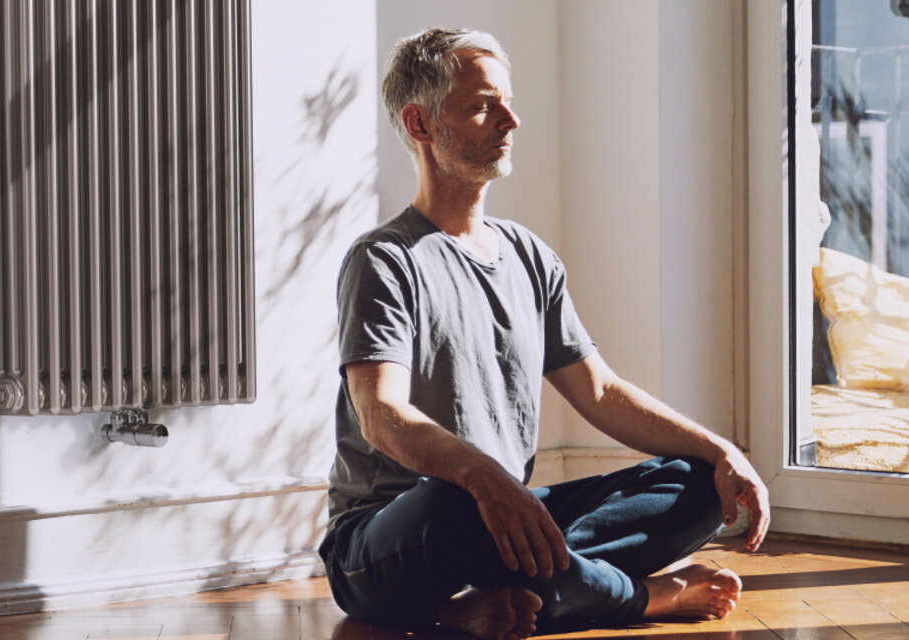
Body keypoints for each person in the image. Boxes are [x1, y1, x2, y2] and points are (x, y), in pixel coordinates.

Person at [320, 27, 771, 640]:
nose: (510, 120)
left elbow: (601, 393)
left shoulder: (529, 256)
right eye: (483, 106)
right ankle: (632, 599)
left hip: (503, 516)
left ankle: (499, 597)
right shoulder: (385, 259)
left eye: (507, 101)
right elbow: (380, 413)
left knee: (695, 483)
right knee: (458, 500)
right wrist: (482, 478)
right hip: (390, 537)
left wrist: (722, 452)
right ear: (420, 125)